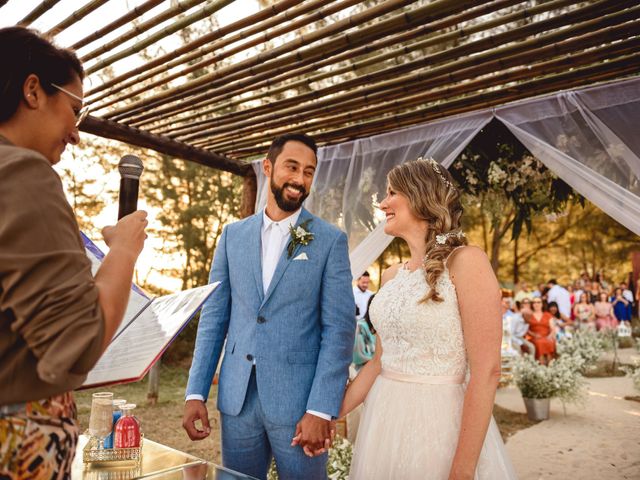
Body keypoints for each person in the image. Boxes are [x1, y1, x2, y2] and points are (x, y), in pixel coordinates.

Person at [0, 27, 147, 478]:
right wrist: (122, 251)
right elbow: (77, 345)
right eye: (75, 110)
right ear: (32, 90)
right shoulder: (23, 173)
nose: (77, 134)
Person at [182, 133, 355, 480]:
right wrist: (196, 391)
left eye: (309, 171)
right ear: (267, 167)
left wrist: (321, 408)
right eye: (292, 167)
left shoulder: (330, 240)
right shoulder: (232, 236)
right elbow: (214, 317)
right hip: (237, 400)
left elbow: (339, 329)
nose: (300, 179)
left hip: (299, 405)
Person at [339, 158, 516, 479]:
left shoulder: (467, 262)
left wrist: (462, 472)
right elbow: (379, 362)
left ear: (421, 197)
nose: (383, 203)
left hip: (439, 425)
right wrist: (330, 413)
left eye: (393, 193)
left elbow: (486, 372)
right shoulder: (393, 275)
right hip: (383, 422)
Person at [526, 298, 556, 365]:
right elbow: (526, 329)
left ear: (542, 304)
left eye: (538, 302)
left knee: (549, 342)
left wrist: (550, 336)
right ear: (532, 304)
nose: (536, 304)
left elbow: (553, 328)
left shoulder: (547, 315)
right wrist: (533, 334)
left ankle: (550, 366)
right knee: (540, 343)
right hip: (534, 337)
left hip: (547, 336)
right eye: (534, 302)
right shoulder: (529, 315)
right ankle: (541, 366)